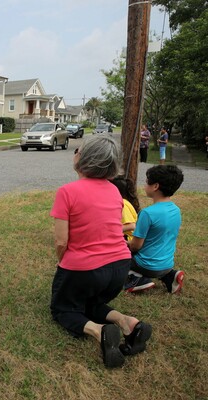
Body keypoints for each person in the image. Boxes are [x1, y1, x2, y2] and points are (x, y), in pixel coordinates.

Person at [50, 135, 151, 369]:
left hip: (85, 268)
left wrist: (63, 263)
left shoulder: (67, 192)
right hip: (120, 266)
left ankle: (100, 330)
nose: (75, 153)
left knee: (63, 309)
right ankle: (128, 323)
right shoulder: (115, 192)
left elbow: (60, 240)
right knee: (89, 303)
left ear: (84, 158)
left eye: (78, 150)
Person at [124, 165, 185, 294]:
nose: (145, 185)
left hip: (145, 266)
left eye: (147, 182)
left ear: (155, 186)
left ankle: (136, 279)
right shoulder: (176, 210)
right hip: (167, 265)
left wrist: (125, 243)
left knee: (117, 254)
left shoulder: (147, 213)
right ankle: (170, 276)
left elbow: (135, 247)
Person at [109, 175, 140, 242]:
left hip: (128, 240)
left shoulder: (123, 204)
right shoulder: (124, 202)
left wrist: (110, 230)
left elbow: (132, 225)